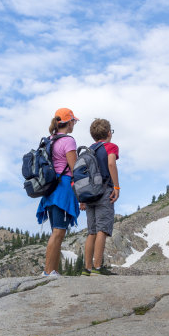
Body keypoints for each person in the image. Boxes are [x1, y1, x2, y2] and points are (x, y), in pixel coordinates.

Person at [37, 108, 80, 276]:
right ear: (68, 122)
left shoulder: (50, 140)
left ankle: (52, 271)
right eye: (73, 121)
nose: (74, 124)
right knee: (59, 232)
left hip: (50, 189)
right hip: (62, 190)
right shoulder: (68, 141)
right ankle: (48, 272)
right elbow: (74, 167)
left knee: (56, 230)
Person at [81, 118, 120, 276]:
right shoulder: (111, 146)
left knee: (91, 231)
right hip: (104, 191)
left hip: (89, 194)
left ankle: (87, 268)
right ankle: (98, 267)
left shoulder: (87, 151)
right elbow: (111, 164)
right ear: (109, 132)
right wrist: (116, 187)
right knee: (102, 230)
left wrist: (82, 198)